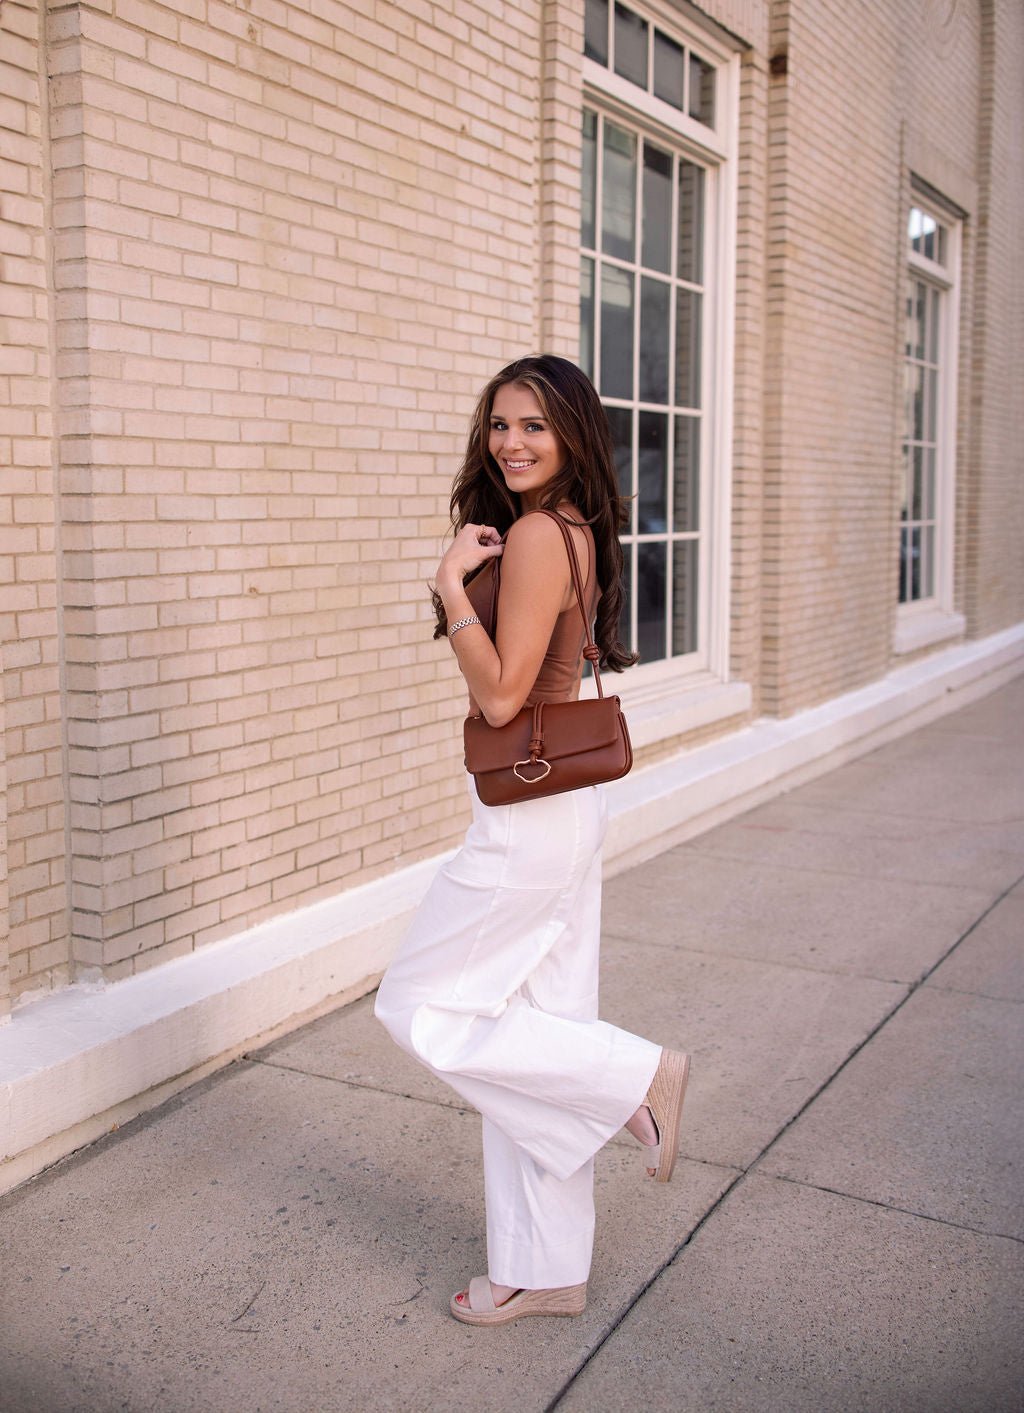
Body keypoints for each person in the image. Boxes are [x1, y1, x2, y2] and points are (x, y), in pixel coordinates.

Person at [374, 354, 689, 1327]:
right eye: (500, 424)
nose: (511, 442)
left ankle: (632, 1080)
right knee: (533, 1027)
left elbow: (502, 693)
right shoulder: (572, 528)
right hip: (562, 807)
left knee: (420, 1006)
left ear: (570, 437)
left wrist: (448, 587)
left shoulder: (539, 535)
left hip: (529, 818)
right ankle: (543, 1267)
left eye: (534, 428)